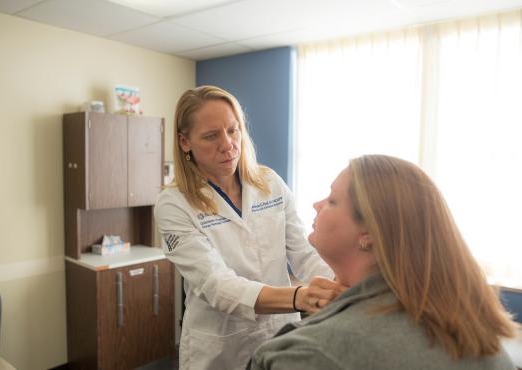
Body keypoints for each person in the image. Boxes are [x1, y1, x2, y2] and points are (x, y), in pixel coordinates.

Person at [248, 154, 519, 370]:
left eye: (332, 200)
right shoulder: (475, 331)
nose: (317, 204)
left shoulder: (302, 355)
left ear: (367, 233)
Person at [154, 85, 340, 370]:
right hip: (219, 347)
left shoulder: (269, 183)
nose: (227, 144)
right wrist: (298, 297)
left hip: (279, 334)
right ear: (184, 142)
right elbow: (216, 284)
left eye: (233, 129)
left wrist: (346, 288)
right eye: (211, 136)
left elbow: (304, 252)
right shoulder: (174, 203)